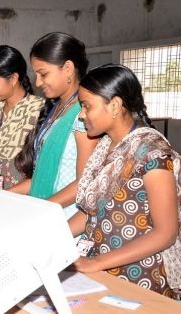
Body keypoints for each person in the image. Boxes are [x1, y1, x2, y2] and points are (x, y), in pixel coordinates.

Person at [69, 64, 181, 299]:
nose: (81, 114)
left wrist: (96, 262)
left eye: (86, 106)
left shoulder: (153, 153)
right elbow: (93, 212)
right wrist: (50, 235)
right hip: (101, 270)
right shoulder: (105, 147)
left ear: (115, 105)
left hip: (140, 277)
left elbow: (166, 233)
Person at [8, 32, 98, 219]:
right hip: (46, 209)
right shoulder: (55, 109)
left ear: (68, 68)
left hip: (67, 217)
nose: (38, 82)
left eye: (43, 74)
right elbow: (43, 173)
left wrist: (42, 208)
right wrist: (3, 196)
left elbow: (85, 183)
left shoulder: (83, 114)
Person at [0, 45, 45, 191]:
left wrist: (3, 198)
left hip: (21, 198)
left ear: (13, 79)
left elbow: (41, 174)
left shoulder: (38, 112)